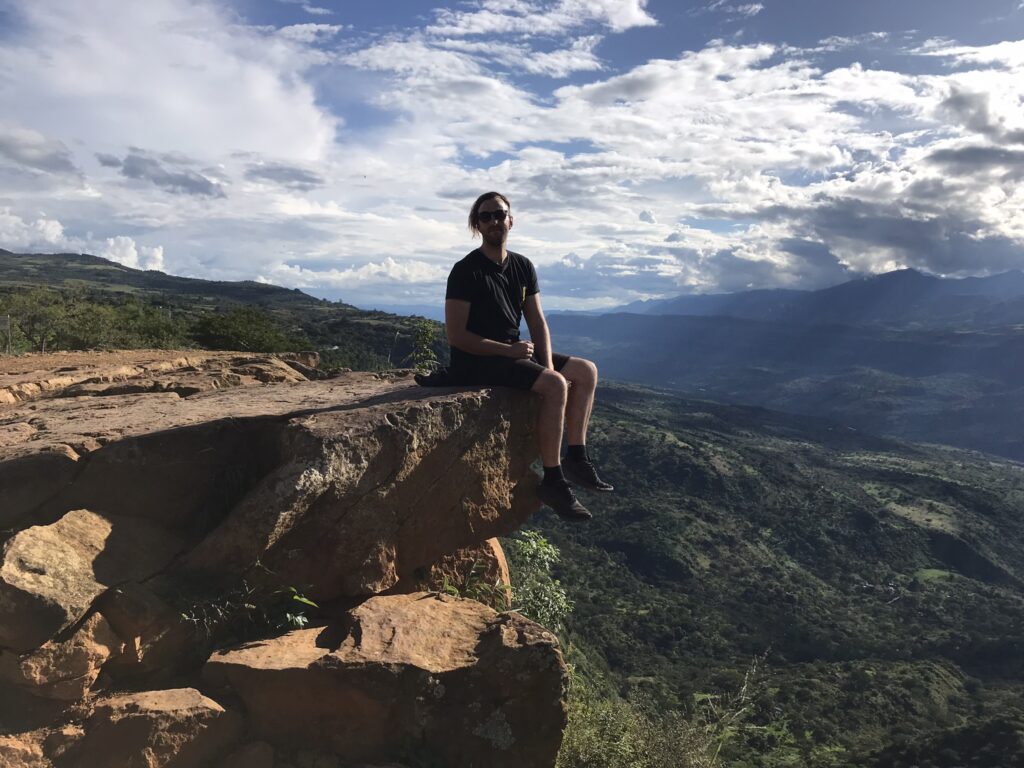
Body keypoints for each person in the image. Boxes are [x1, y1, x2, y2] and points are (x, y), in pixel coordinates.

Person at [445, 191, 613, 521]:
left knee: (585, 370)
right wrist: (509, 351)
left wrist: (547, 366)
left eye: (499, 214)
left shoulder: (522, 266)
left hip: (514, 353)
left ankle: (577, 458)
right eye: (486, 216)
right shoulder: (466, 271)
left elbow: (536, 321)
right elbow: (457, 336)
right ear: (476, 225)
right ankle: (553, 479)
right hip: (476, 360)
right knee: (554, 385)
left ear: (511, 220)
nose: (494, 221)